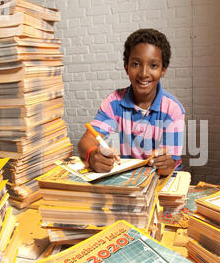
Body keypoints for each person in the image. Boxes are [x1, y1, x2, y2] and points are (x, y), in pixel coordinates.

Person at [78, 28, 185, 176]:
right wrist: (92, 154)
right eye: (136, 64)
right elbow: (85, 142)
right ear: (126, 67)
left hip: (163, 181)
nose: (144, 74)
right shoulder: (114, 103)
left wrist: (166, 163)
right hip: (128, 182)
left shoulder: (173, 110)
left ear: (163, 70)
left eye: (153, 66)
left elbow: (170, 164)